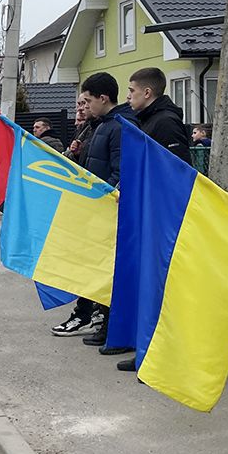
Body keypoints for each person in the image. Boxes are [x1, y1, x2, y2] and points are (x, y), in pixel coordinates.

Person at [57, 73, 136, 347]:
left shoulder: (119, 127)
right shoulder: (101, 125)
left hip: (106, 210)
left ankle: (107, 323)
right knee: (94, 265)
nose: (85, 106)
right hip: (94, 208)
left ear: (103, 98)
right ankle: (98, 318)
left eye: (88, 101)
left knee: (107, 269)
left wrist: (101, 199)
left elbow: (119, 171)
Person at [126, 66, 192, 165]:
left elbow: (178, 166)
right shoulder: (146, 118)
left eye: (132, 91)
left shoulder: (166, 122)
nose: (128, 96)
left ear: (147, 93)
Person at [65, 99, 93, 164]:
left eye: (81, 120)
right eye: (79, 104)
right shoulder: (77, 133)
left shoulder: (91, 131)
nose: (76, 123)